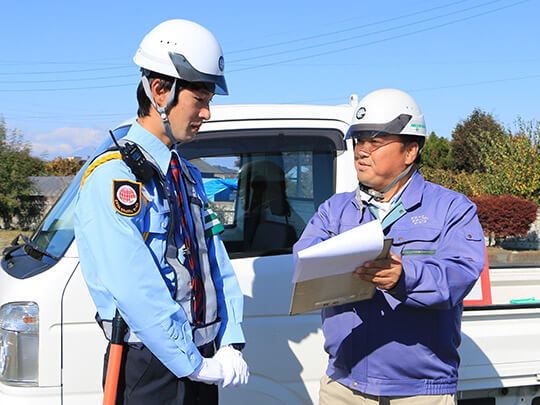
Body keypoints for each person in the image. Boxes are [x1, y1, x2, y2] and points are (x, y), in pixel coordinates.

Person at [74, 19, 248, 405]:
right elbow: (134, 286)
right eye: (199, 100)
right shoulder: (114, 177)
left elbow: (214, 258)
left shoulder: (185, 175)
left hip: (201, 357)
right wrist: (191, 363)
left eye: (208, 102)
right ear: (159, 91)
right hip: (149, 365)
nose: (206, 113)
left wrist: (230, 338)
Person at [293, 88, 485, 405]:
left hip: (420, 392)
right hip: (344, 386)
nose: (361, 151)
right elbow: (305, 259)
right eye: (358, 141)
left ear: (410, 152)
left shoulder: (452, 209)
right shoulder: (335, 210)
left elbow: (459, 274)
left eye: (375, 141)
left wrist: (403, 276)